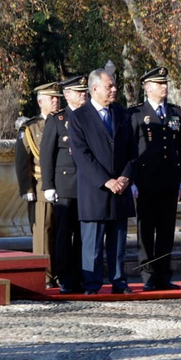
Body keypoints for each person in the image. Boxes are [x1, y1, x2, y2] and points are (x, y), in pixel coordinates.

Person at [66, 69, 138, 294]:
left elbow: (132, 151)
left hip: (121, 189)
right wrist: (106, 181)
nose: (114, 89)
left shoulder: (123, 114)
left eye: (115, 85)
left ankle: (119, 281)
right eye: (110, 86)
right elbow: (81, 154)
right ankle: (92, 284)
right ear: (94, 88)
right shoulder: (78, 117)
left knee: (118, 245)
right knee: (92, 245)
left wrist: (125, 177)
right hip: (95, 190)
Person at [129, 68, 181, 291]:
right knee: (146, 230)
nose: (164, 87)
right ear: (147, 87)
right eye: (158, 83)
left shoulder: (174, 112)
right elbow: (131, 150)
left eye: (165, 82)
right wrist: (131, 181)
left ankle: (164, 274)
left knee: (166, 230)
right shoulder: (136, 113)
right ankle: (148, 275)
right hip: (145, 181)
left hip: (169, 181)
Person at [40, 76, 88, 293]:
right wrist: (48, 185)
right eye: (79, 92)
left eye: (85, 91)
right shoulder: (58, 119)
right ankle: (65, 278)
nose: (83, 95)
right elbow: (46, 155)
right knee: (63, 236)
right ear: (67, 95)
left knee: (83, 236)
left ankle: (81, 275)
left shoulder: (90, 117)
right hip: (65, 185)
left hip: (87, 185)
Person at [16, 82, 62, 284]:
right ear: (40, 101)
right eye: (51, 98)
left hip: (64, 183)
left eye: (57, 97)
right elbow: (22, 161)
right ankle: (45, 275)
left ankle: (61, 273)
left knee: (62, 231)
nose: (56, 100)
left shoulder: (65, 121)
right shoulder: (31, 128)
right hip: (41, 185)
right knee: (43, 232)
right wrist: (26, 188)